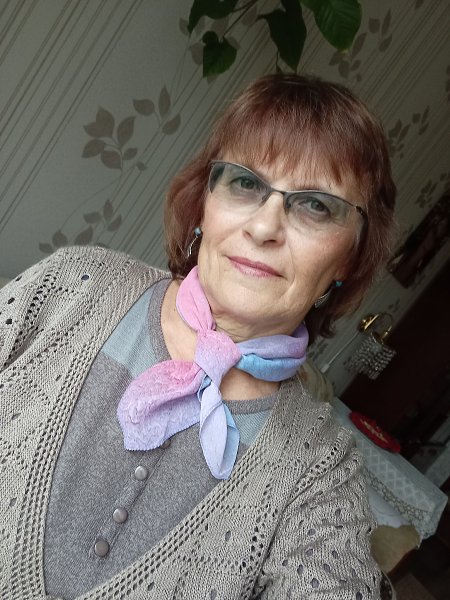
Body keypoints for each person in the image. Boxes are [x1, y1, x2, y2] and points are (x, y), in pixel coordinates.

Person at [0, 73, 395, 599]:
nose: (264, 228)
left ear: (349, 258)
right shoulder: (76, 284)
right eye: (245, 183)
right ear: (204, 205)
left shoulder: (320, 471)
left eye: (316, 205)